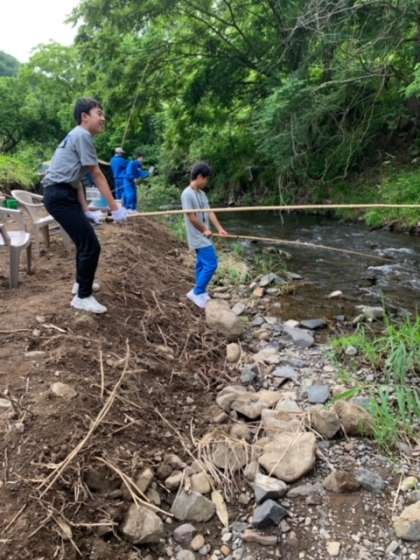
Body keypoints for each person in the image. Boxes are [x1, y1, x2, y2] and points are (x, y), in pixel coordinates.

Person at [43, 97, 129, 314]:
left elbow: (77, 181)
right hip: (59, 196)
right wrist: (115, 208)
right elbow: (96, 174)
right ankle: (82, 297)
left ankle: (80, 284)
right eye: (99, 113)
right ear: (84, 117)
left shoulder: (77, 136)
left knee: (84, 243)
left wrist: (85, 209)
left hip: (63, 194)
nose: (103, 118)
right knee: (91, 246)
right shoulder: (82, 135)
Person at [181, 162, 228, 309]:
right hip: (197, 235)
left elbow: (209, 212)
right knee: (211, 264)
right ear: (200, 177)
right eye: (206, 179)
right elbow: (191, 217)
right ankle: (197, 292)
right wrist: (204, 230)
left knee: (201, 264)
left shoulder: (202, 194)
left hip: (203, 234)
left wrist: (220, 228)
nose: (207, 182)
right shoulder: (187, 194)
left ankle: (199, 292)